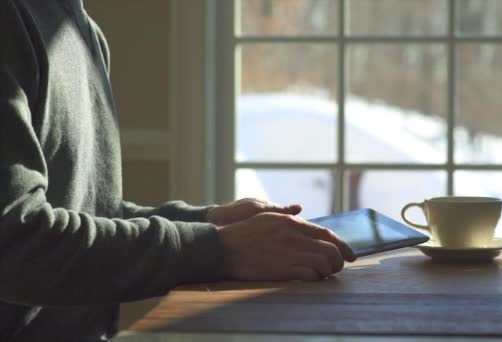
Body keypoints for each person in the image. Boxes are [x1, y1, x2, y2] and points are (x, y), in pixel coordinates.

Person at [0, 0, 356, 340]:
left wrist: (209, 222)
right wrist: (219, 249)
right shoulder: (11, 19)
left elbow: (87, 214)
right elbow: (16, 244)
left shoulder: (78, 28)